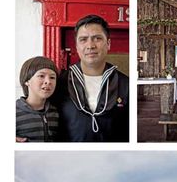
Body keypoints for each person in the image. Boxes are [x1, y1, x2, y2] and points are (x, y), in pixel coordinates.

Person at [52, 14, 129, 142]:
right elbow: (38, 110)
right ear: (76, 46)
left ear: (108, 43)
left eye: (97, 38)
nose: (90, 45)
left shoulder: (126, 84)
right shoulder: (59, 83)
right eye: (83, 39)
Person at [16, 56, 59, 142]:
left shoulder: (56, 112)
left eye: (52, 77)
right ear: (27, 81)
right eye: (41, 76)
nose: (48, 81)